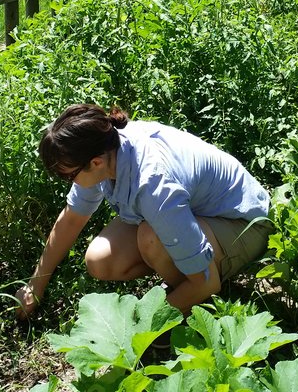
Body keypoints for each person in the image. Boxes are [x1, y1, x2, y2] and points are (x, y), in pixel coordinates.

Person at [15, 104, 273, 319]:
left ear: (95, 162)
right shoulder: (106, 148)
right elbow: (71, 219)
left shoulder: (153, 185)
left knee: (151, 237)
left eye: (68, 175)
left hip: (243, 225)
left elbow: (207, 281)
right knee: (99, 259)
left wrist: (143, 326)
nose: (69, 181)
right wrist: (35, 284)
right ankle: (180, 273)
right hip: (192, 211)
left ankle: (191, 300)